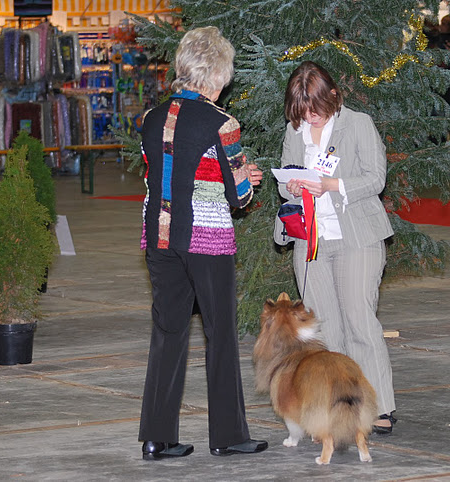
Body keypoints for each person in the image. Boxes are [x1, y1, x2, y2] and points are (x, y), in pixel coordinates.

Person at [138, 26, 267, 460]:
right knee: (221, 335)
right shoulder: (221, 123)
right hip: (206, 237)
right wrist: (248, 179)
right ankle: (228, 436)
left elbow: (154, 178)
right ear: (217, 74)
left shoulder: (151, 119)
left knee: (167, 333)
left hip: (159, 237)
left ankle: (157, 438)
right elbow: (239, 196)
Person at [279, 61, 397, 435]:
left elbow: (375, 178)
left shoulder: (358, 124)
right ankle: (340, 404)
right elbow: (285, 180)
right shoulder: (294, 130)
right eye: (301, 112)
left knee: (360, 321)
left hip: (357, 235)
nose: (308, 118)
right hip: (310, 239)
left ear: (332, 96)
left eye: (313, 110)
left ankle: (379, 405)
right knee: (325, 329)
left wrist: (330, 185)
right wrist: (293, 187)